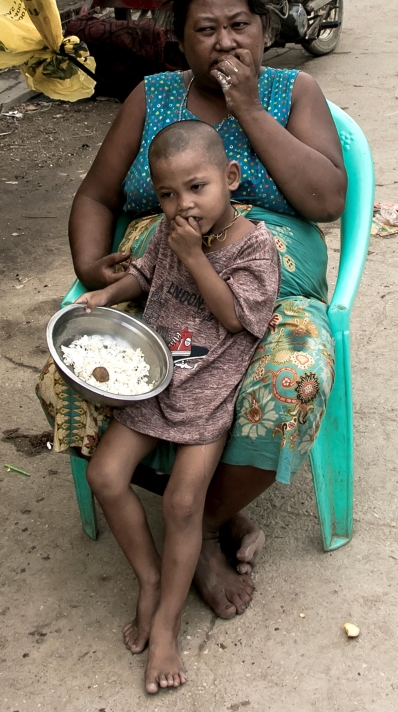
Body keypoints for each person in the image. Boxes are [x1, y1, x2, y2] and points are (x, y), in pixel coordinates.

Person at [38, 0, 346, 622]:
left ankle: (202, 522)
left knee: (293, 382)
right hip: (160, 289)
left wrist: (250, 111)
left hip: (270, 302)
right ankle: (197, 519)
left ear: (265, 29)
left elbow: (326, 199)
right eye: (206, 29)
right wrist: (96, 271)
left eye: (239, 25)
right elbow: (95, 193)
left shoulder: (296, 92)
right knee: (69, 376)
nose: (226, 42)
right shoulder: (153, 97)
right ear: (181, 39)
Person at [78, 120, 281, 694]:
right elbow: (143, 274)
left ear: (230, 178)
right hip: (155, 378)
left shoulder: (255, 246)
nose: (182, 205)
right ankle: (149, 581)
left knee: (183, 501)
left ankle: (167, 623)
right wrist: (106, 294)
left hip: (208, 389)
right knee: (106, 476)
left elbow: (231, 315)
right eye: (167, 194)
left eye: (197, 188)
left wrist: (193, 257)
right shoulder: (166, 235)